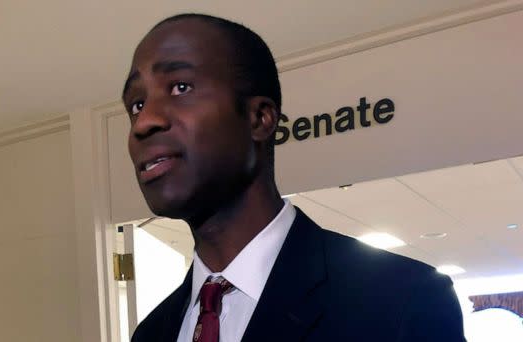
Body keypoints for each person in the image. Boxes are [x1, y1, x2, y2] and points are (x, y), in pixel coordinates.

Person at [122, 13, 465, 342]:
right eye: (136, 105)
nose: (143, 122)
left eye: (180, 87)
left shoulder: (402, 300)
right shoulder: (151, 333)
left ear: (259, 119)